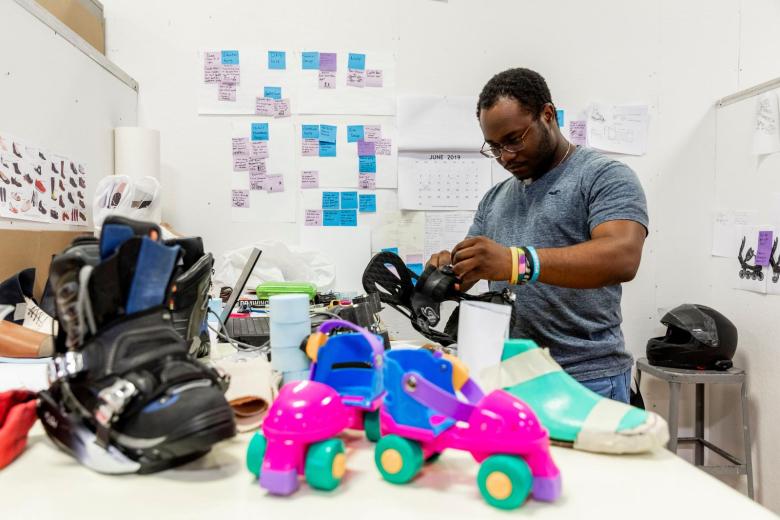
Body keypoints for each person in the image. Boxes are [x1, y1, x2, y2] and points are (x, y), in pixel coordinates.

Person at [427, 68, 648, 403]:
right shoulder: (496, 197)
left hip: (585, 380)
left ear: (548, 115)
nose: (506, 156)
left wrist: (515, 262)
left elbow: (623, 256)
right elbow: (479, 267)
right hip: (510, 376)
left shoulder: (603, 177)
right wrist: (449, 269)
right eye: (495, 147)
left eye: (515, 140)